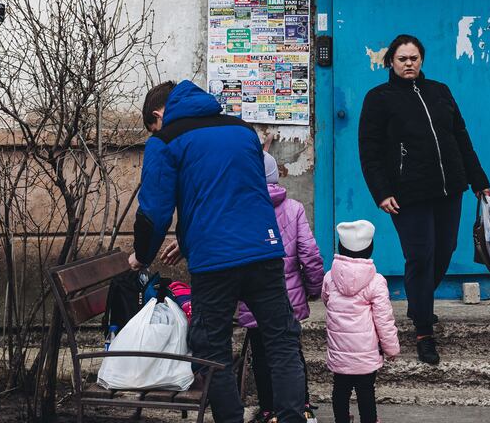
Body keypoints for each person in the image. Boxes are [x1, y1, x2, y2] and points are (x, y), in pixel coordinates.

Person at [131, 80, 307, 423]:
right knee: (282, 342)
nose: (155, 132)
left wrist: (142, 255)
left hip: (214, 261)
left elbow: (155, 212)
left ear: (158, 115)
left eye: (153, 126)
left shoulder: (164, 141)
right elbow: (233, 192)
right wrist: (187, 239)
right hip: (264, 250)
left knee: (212, 349)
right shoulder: (241, 130)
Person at [358, 33, 490, 365]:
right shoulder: (379, 98)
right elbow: (370, 150)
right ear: (390, 62)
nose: (409, 64)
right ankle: (423, 331)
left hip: (449, 189)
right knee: (420, 256)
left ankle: (418, 305)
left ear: (421, 60)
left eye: (414, 58)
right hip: (408, 193)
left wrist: (478, 179)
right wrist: (381, 192)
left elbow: (461, 137)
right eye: (402, 59)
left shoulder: (440, 91)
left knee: (444, 250)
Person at [236, 152, 325, 423]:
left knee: (261, 356)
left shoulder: (240, 210)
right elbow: (310, 254)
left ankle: (269, 410)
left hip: (252, 298)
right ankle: (302, 406)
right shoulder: (294, 208)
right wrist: (314, 288)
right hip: (287, 298)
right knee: (290, 352)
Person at [322, 220, 400, 423]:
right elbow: (383, 320)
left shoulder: (330, 277)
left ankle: (341, 420)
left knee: (340, 389)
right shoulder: (376, 281)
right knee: (366, 390)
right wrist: (391, 349)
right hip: (366, 353)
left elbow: (326, 300)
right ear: (370, 249)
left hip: (339, 350)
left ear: (340, 247)